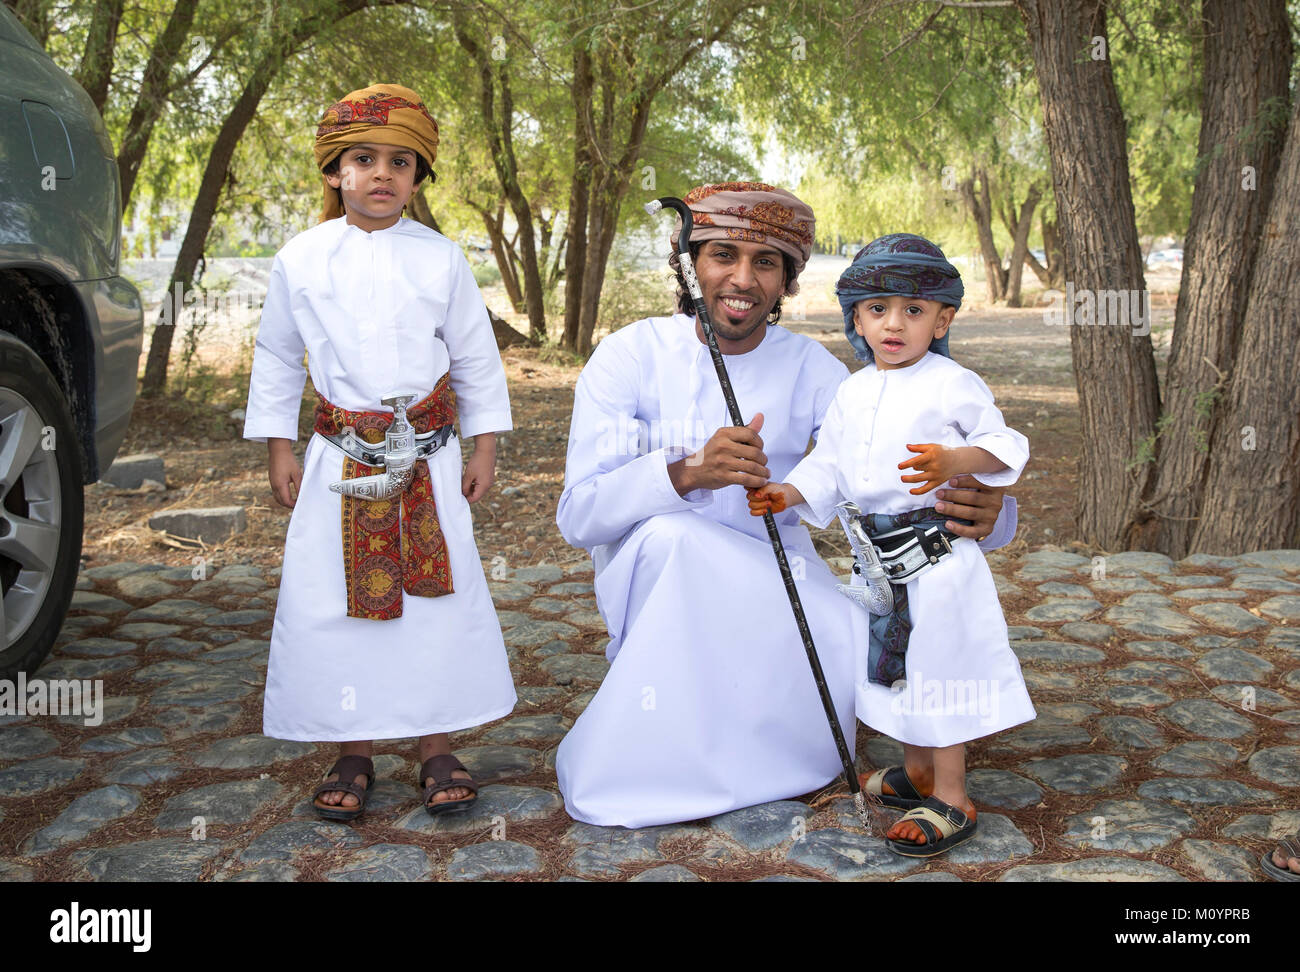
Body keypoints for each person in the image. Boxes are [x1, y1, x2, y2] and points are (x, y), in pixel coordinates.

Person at [554, 185, 1016, 828]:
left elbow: (890, 482)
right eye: (722, 255)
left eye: (765, 262)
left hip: (778, 585)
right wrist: (686, 474)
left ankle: (814, 760)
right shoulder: (629, 355)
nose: (741, 279)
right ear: (690, 264)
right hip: (660, 587)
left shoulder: (820, 374)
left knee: (860, 632)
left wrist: (990, 513)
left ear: (787, 280)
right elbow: (578, 517)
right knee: (673, 536)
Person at [243, 83, 515, 821]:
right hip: (338, 458)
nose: (382, 174)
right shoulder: (300, 259)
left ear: (418, 176)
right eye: (363, 159)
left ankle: (435, 745)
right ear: (335, 172)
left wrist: (484, 444)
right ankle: (353, 747)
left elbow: (475, 360)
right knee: (339, 603)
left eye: (400, 161)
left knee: (433, 601)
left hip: (430, 455)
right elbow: (276, 357)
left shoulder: (441, 258)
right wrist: (278, 446)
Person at [748, 234, 1034, 856]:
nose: (893, 324)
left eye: (912, 309)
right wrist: (789, 493)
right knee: (894, 668)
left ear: (943, 318)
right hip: (878, 562)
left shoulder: (952, 381)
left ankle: (953, 795)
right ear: (856, 319)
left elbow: (1005, 444)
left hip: (936, 559)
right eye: (877, 310)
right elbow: (830, 462)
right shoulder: (853, 391)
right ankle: (919, 772)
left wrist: (956, 458)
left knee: (939, 670)